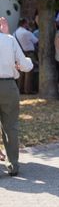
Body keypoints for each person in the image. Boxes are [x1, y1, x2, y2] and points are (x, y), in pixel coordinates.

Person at [0, 17, 33, 176]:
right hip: (7, 85)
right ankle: (13, 164)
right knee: (10, 127)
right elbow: (25, 65)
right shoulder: (9, 40)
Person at [14, 18, 38, 94]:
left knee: (21, 72)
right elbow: (36, 41)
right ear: (24, 24)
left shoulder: (14, 33)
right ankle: (28, 90)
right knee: (29, 71)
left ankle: (20, 89)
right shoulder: (27, 33)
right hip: (29, 53)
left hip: (19, 53)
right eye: (27, 23)